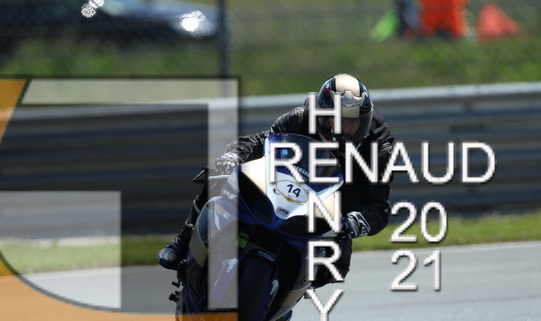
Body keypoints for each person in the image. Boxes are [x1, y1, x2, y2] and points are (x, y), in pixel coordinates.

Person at [157, 73, 395, 288]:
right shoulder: (301, 118)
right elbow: (260, 141)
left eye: (355, 122)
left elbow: (379, 206)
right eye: (340, 120)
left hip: (337, 201)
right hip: (283, 182)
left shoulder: (378, 147)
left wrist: (355, 222)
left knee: (334, 266)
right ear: (323, 115)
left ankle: (285, 291)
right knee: (218, 178)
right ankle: (182, 242)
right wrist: (233, 157)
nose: (348, 129)